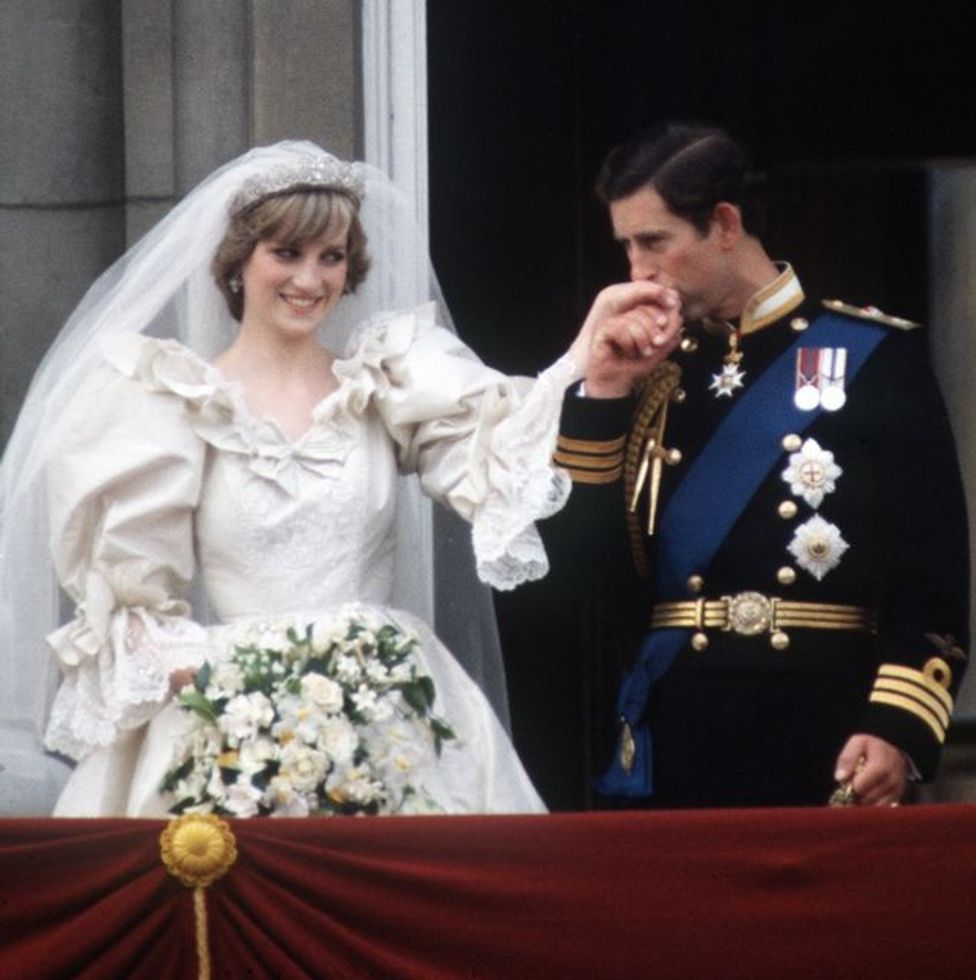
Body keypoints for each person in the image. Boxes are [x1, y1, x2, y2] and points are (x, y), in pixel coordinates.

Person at [0, 140, 678, 817]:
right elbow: (131, 596)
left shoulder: (389, 377)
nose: (310, 279)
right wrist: (230, 693)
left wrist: (590, 365)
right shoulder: (172, 400)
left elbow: (506, 462)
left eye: (332, 257)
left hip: (391, 705)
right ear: (238, 262)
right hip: (231, 722)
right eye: (287, 253)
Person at [546, 122, 969, 808]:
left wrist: (895, 725)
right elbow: (579, 581)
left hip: (825, 731)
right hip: (677, 734)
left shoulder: (873, 357)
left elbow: (933, 579)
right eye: (625, 246)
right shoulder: (646, 373)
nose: (636, 272)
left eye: (654, 243)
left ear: (724, 223)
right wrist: (601, 395)